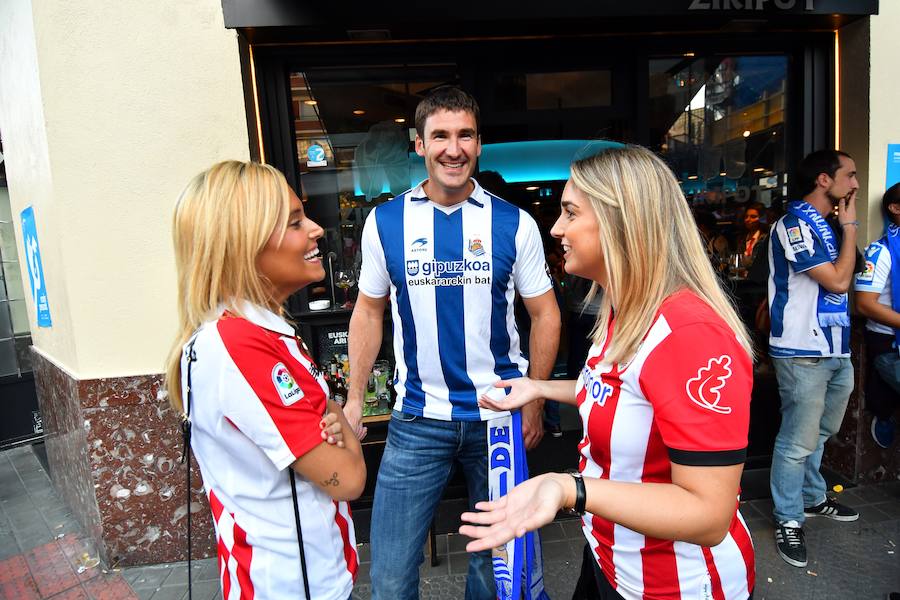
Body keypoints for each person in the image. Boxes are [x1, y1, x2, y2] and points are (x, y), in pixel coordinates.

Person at [460, 145, 756, 600]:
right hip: (610, 560)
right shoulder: (625, 311)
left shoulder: (688, 334)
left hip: (674, 586)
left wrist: (570, 489)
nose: (556, 228)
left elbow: (709, 515)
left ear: (622, 223)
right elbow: (619, 394)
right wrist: (538, 387)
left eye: (570, 213)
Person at [345, 86, 561, 600]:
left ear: (480, 143)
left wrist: (534, 398)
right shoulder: (386, 222)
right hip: (417, 420)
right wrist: (355, 398)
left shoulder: (515, 223)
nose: (453, 148)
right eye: (440, 135)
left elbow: (545, 313)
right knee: (392, 575)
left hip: (498, 420)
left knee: (496, 569)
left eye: (465, 135)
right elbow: (368, 311)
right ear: (418, 144)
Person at [164, 161, 366, 600]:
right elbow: (348, 479)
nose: (316, 230)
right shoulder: (240, 344)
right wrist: (343, 428)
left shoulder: (254, 330)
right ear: (243, 244)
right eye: (295, 222)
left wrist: (333, 422)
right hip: (293, 586)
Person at [766, 149, 860, 569]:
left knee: (822, 433)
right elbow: (839, 280)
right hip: (802, 350)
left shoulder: (826, 226)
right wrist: (852, 227)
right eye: (850, 175)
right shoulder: (793, 225)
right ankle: (788, 518)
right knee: (796, 441)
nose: (856, 184)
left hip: (836, 346)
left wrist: (844, 228)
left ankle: (811, 496)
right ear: (824, 180)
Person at [854, 182, 900, 448]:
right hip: (890, 346)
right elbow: (864, 304)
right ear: (895, 208)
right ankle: (882, 414)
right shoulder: (881, 251)